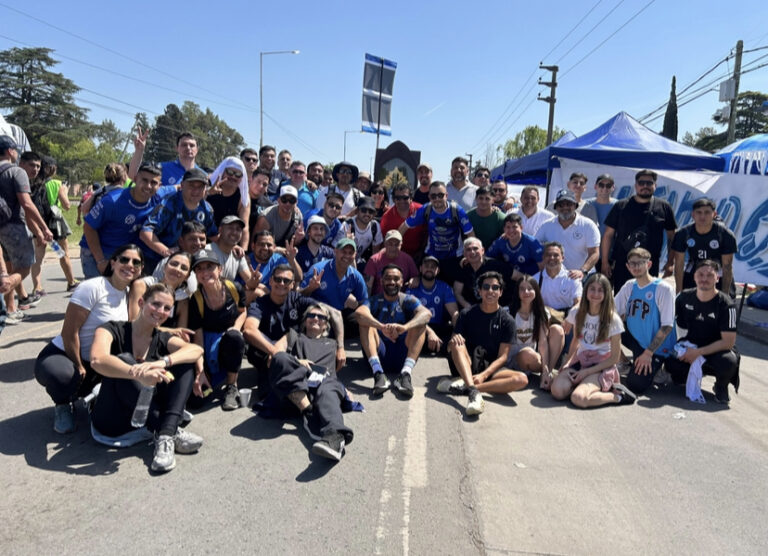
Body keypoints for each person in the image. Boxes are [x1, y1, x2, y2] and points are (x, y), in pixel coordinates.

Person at [89, 283, 205, 472]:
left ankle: (166, 435)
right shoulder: (111, 329)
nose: (161, 311)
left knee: (183, 362)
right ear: (142, 302)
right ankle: (168, 428)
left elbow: (196, 350)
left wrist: (162, 362)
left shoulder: (161, 337)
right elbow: (97, 359)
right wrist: (137, 373)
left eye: (167, 308)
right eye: (156, 304)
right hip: (114, 417)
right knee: (123, 360)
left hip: (146, 414)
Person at [34, 244, 144, 433]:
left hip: (96, 360)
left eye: (136, 262)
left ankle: (92, 396)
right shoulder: (93, 287)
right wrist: (78, 365)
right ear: (113, 262)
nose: (130, 264)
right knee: (64, 376)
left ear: (141, 269)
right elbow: (69, 333)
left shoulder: (130, 296)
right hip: (65, 354)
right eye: (124, 259)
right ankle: (62, 404)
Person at [262, 303, 355, 461]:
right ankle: (309, 413)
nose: (316, 319)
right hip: (294, 388)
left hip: (323, 386)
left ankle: (335, 438)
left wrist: (344, 389)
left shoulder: (333, 344)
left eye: (321, 317)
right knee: (280, 358)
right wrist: (298, 361)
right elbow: (274, 356)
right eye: (311, 315)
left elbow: (334, 374)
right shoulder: (293, 336)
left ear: (326, 324)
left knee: (330, 386)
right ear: (305, 320)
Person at [243, 265, 344, 399]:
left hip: (291, 351)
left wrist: (341, 347)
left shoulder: (297, 300)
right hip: (266, 352)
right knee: (269, 395)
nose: (281, 283)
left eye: (286, 281)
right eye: (278, 279)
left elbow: (335, 314)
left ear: (292, 285)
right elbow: (249, 330)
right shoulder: (261, 303)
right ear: (271, 281)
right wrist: (276, 352)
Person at [439, 271, 528, 416]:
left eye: (495, 287)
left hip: (490, 370)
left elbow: (503, 357)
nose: (490, 291)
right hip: (466, 365)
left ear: (500, 292)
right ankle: (472, 389)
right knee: (456, 343)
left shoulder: (508, 321)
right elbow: (450, 346)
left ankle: (470, 388)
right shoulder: (466, 314)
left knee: (522, 379)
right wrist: (453, 341)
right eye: (486, 287)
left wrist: (484, 375)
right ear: (479, 291)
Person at [549, 273, 636, 408]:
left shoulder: (613, 319)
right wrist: (567, 363)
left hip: (601, 365)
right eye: (592, 289)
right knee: (557, 391)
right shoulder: (577, 313)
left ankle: (617, 396)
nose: (595, 293)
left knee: (579, 398)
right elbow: (575, 342)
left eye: (600, 290)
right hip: (581, 360)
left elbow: (614, 358)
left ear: (607, 293)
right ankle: (584, 386)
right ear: (586, 291)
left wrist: (587, 372)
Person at [82, 163, 175, 279]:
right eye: (144, 180)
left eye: (153, 183)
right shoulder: (112, 201)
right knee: (99, 293)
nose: (148, 186)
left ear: (160, 185)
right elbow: (88, 227)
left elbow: (181, 187)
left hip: (124, 255)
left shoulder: (159, 195)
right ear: (135, 179)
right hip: (99, 252)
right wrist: (100, 261)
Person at [666, 260, 739, 404]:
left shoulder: (727, 305)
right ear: (694, 277)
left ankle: (721, 386)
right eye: (700, 275)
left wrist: (698, 353)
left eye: (709, 275)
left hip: (717, 350)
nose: (704, 279)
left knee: (729, 362)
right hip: (692, 344)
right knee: (670, 361)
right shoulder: (683, 297)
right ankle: (684, 376)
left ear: (717, 278)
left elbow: (728, 342)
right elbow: (671, 324)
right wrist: (683, 349)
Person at [0, 135, 53, 324]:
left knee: (9, 267)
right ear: (10, 151)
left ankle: (10, 308)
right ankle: (4, 287)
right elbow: (27, 204)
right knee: (23, 268)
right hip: (13, 226)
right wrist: (44, 228)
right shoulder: (16, 172)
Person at [356, 264, 430, 398]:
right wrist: (381, 327)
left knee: (420, 324)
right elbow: (359, 313)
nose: (392, 282)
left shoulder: (408, 300)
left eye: (396, 279)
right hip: (380, 353)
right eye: (388, 278)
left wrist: (405, 328)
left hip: (402, 353)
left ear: (402, 282)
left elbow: (426, 314)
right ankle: (378, 374)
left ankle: (405, 374)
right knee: (365, 322)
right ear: (381, 281)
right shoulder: (374, 300)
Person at [187, 248, 247, 411]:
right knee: (195, 401)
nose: (205, 272)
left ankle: (231, 385)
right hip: (207, 346)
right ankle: (212, 376)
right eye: (199, 268)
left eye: (210, 267)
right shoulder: (195, 300)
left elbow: (243, 312)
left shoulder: (234, 288)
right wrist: (200, 373)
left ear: (219, 269)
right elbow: (198, 341)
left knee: (234, 338)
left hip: (230, 342)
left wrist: (235, 328)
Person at [602, 169, 677, 294]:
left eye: (649, 183)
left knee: (647, 299)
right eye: (641, 183)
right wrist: (605, 262)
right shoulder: (621, 206)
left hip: (649, 266)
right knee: (622, 301)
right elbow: (608, 235)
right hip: (623, 264)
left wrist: (670, 262)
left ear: (655, 186)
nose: (645, 186)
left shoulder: (664, 207)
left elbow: (672, 237)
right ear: (636, 185)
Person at [614, 248, 676, 396]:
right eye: (632, 264)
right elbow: (613, 311)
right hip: (636, 339)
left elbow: (667, 326)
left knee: (636, 385)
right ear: (628, 266)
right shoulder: (630, 285)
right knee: (606, 325)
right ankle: (623, 362)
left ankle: (661, 369)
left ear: (649, 264)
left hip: (656, 347)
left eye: (640, 263)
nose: (636, 267)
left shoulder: (663, 289)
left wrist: (648, 353)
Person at [140, 168, 218, 273]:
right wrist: (167, 252)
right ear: (182, 185)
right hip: (156, 259)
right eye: (191, 186)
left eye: (200, 187)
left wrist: (232, 246)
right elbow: (145, 232)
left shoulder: (207, 209)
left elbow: (212, 235)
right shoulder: (169, 204)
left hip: (187, 262)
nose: (196, 191)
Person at [398, 181, 474, 282]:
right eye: (433, 196)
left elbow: (471, 234)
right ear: (429, 197)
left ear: (446, 195)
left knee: (455, 289)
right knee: (425, 285)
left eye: (440, 195)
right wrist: (395, 246)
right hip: (432, 254)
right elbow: (404, 226)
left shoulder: (456, 210)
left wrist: (470, 255)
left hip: (454, 256)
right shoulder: (426, 209)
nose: (437, 199)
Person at [300, 238, 369, 335]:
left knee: (364, 320)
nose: (347, 256)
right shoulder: (318, 270)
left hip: (339, 313)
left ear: (355, 255)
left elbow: (364, 302)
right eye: (343, 252)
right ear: (335, 251)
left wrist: (363, 312)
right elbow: (298, 296)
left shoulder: (356, 276)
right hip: (318, 314)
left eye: (350, 253)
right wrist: (310, 288)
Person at [671, 197, 737, 297]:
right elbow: (679, 264)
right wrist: (679, 292)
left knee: (724, 304)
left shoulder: (725, 234)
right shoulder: (683, 233)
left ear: (714, 214)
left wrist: (725, 296)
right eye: (699, 212)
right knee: (688, 303)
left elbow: (727, 267)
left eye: (707, 212)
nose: (703, 216)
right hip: (694, 272)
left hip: (718, 273)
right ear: (693, 214)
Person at [508, 275, 564, 389]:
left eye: (530, 288)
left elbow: (543, 342)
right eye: (522, 289)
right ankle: (546, 374)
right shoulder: (508, 313)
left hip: (532, 358)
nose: (526, 292)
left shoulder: (541, 312)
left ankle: (546, 375)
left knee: (557, 330)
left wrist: (544, 369)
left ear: (536, 291)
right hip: (514, 361)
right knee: (528, 353)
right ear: (517, 292)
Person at [535, 189, 600, 281]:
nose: (565, 207)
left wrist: (582, 271)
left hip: (583, 277)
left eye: (569, 204)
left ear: (575, 206)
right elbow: (533, 245)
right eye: (561, 205)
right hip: (555, 278)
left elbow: (594, 253)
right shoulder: (546, 225)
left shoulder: (588, 225)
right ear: (556, 208)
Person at [407, 255, 459, 355]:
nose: (429, 269)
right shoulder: (412, 288)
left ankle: (438, 347)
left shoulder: (444, 287)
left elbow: (454, 313)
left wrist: (456, 333)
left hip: (439, 326)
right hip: (420, 326)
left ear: (438, 270)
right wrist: (430, 333)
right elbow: (411, 316)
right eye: (426, 266)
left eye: (433, 267)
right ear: (421, 269)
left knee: (455, 341)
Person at [41, 156, 79, 291]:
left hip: (40, 222)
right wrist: (65, 192)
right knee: (62, 253)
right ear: (53, 169)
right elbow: (67, 205)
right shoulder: (57, 184)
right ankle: (71, 281)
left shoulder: (35, 183)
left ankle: (37, 287)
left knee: (39, 256)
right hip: (55, 223)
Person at [128, 251, 192, 329]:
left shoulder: (183, 299)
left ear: (187, 276)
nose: (177, 269)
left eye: (184, 268)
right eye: (174, 264)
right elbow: (134, 322)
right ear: (164, 267)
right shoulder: (142, 285)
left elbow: (182, 332)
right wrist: (170, 331)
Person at [206, 157, 251, 251]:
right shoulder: (208, 186)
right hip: (203, 238)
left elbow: (245, 227)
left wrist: (244, 250)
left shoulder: (243, 197)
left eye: (238, 174)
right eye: (230, 172)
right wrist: (208, 192)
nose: (233, 177)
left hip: (227, 244)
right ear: (222, 171)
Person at [129, 128, 201, 186]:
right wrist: (139, 151)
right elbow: (133, 178)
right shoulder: (162, 168)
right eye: (184, 145)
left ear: (197, 150)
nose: (188, 148)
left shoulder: (203, 175)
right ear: (177, 148)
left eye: (192, 145)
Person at [453, 237, 510, 309]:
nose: (472, 252)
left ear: (483, 250)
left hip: (498, 308)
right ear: (464, 253)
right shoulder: (463, 267)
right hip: (474, 309)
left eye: (475, 248)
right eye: (468, 250)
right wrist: (466, 305)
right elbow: (457, 292)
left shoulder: (495, 265)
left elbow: (517, 276)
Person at [487, 213, 543, 282]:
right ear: (504, 229)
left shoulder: (532, 242)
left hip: (529, 279)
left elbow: (542, 264)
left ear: (521, 228)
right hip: (509, 278)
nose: (511, 230)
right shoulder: (501, 241)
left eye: (514, 227)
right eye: (508, 227)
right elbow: (487, 258)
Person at [533, 242, 582, 319]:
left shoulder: (572, 278)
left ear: (562, 258)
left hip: (567, 318)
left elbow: (579, 303)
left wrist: (570, 319)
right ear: (543, 257)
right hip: (544, 318)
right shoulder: (535, 280)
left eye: (556, 255)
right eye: (548, 255)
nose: (552, 258)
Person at [363, 230, 418, 294]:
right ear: (385, 244)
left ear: (401, 245)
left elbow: (415, 277)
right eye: (390, 244)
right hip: (379, 299)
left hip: (400, 299)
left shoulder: (408, 259)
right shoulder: (374, 260)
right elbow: (368, 286)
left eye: (396, 244)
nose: (393, 248)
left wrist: (416, 279)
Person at [334, 196, 383, 267]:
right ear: (357, 211)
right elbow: (335, 251)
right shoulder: (347, 225)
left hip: (358, 261)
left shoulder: (375, 226)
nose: (367, 214)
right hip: (341, 261)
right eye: (363, 210)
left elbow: (375, 252)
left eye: (370, 211)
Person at [380, 183, 424, 259]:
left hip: (420, 255)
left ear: (411, 198)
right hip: (396, 256)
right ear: (393, 199)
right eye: (398, 198)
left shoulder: (421, 210)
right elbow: (384, 244)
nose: (401, 201)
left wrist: (421, 252)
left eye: (405, 198)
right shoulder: (387, 218)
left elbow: (427, 234)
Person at [581, 173, 617, 239]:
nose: (604, 188)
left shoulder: (618, 205)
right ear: (595, 187)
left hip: (611, 246)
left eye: (608, 185)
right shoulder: (585, 204)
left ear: (613, 188)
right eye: (601, 185)